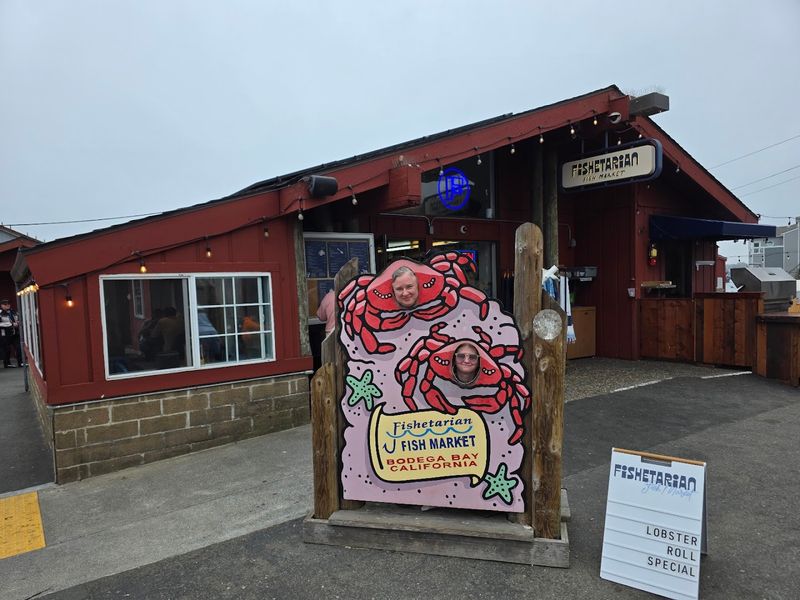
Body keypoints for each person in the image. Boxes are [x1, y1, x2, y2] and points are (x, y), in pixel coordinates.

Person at [0, 299, 21, 368]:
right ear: (1, 305)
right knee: (7, 349)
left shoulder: (13, 311)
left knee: (18, 347)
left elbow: (18, 319)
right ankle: (7, 363)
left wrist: (18, 322)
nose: (8, 305)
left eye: (8, 303)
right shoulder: (0, 313)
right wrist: (11, 324)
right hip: (5, 334)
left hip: (15, 332)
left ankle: (20, 362)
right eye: (5, 304)